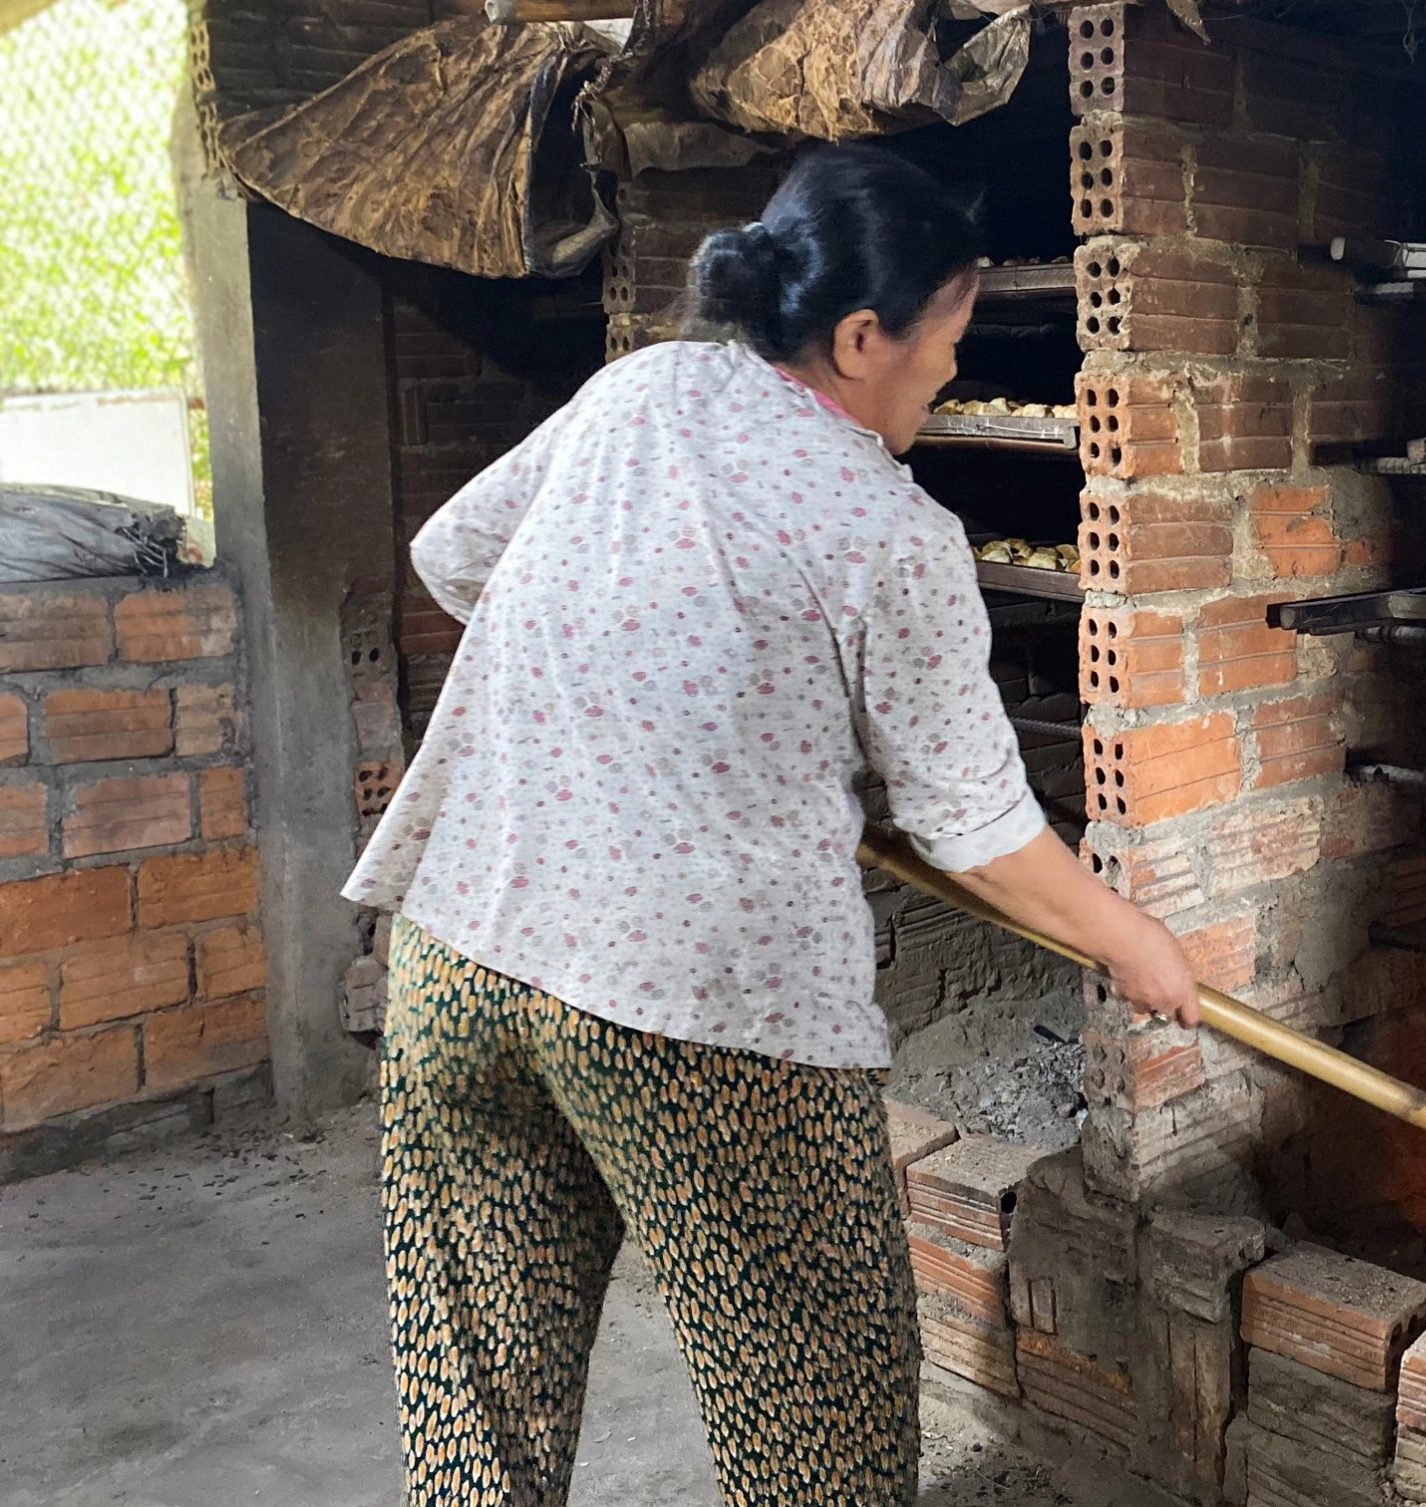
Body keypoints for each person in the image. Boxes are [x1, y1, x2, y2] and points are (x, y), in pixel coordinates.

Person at [343, 144, 1199, 1507]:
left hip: (461, 957)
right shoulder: (892, 531)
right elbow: (977, 830)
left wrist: (636, 692)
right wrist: (1132, 942)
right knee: (820, 1420)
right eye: (949, 337)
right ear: (861, 338)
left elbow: (456, 555)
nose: (954, 368)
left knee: (480, 1407)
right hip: (700, 1020)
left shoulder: (643, 389)